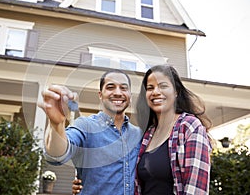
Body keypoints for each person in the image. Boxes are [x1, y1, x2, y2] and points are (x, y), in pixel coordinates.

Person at [73, 64, 212, 195]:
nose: (156, 92)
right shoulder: (147, 134)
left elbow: (196, 189)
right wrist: (86, 183)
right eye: (150, 88)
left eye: (163, 86)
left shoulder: (189, 127)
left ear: (176, 92)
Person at [39, 69, 143, 195]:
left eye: (123, 88)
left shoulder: (139, 135)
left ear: (130, 96)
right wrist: (56, 124)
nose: (117, 92)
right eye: (110, 87)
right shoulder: (85, 126)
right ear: (100, 94)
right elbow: (57, 155)